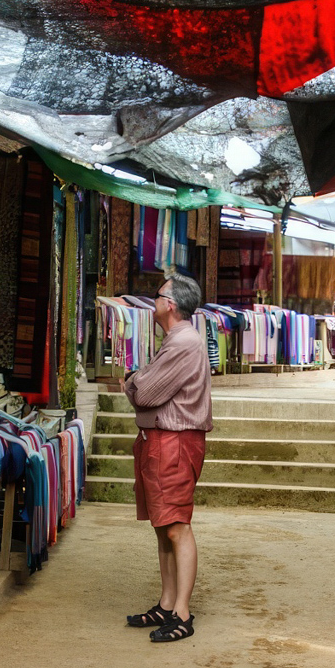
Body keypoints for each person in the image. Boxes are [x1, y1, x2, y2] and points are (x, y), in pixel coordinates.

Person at [122, 270, 212, 643]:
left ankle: (182, 613)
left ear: (170, 304)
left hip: (173, 441)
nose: (154, 301)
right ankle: (167, 603)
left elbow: (144, 392)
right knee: (164, 527)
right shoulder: (178, 339)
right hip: (162, 439)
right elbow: (145, 386)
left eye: (157, 296)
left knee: (176, 525)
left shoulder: (183, 342)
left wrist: (131, 380)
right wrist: (138, 381)